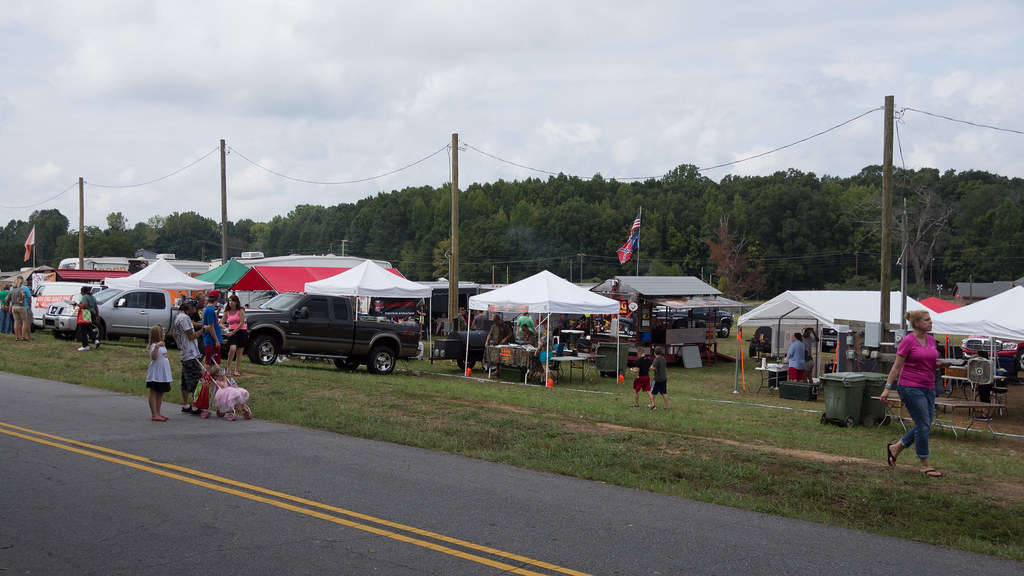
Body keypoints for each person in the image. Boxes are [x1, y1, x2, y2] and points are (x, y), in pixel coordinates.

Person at [881, 310, 942, 478]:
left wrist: (938, 365)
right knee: (923, 424)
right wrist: (887, 388)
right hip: (910, 387)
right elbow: (896, 366)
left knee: (926, 424)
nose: (931, 322)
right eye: (927, 320)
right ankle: (925, 465)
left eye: (930, 319)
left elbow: (928, 362)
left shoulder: (930, 340)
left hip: (928, 387)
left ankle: (896, 447)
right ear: (917, 324)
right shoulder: (907, 341)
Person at [173, 298, 205, 414]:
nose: (195, 310)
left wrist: (180, 345)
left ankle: (186, 405)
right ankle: (196, 406)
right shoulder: (185, 318)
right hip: (191, 353)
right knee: (196, 379)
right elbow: (191, 336)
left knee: (185, 381)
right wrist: (203, 330)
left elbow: (174, 334)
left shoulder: (177, 317)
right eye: (193, 307)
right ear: (188, 308)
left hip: (184, 353)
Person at [146, 324, 173, 421]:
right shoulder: (154, 346)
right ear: (158, 334)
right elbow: (154, 357)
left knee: (160, 393)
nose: (164, 334)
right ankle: (154, 414)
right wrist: (157, 346)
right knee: (154, 393)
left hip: (163, 374)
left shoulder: (163, 346)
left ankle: (158, 412)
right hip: (155, 374)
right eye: (163, 332)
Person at [220, 293, 247, 376]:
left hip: (241, 331)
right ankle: (228, 368)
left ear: (236, 302)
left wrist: (233, 331)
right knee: (232, 348)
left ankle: (236, 370)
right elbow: (221, 323)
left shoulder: (241, 310)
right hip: (231, 331)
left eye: (232, 301)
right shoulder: (227, 312)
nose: (231, 302)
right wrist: (226, 329)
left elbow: (241, 322)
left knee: (239, 351)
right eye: (229, 301)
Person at [201, 290, 224, 368]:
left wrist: (218, 312)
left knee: (210, 361)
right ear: (216, 299)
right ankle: (209, 378)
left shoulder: (206, 308)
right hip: (212, 341)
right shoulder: (210, 310)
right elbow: (211, 327)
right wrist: (216, 341)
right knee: (212, 363)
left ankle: (210, 378)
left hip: (209, 339)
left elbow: (212, 320)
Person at [8, 277, 30, 342]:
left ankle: (17, 337)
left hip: (14, 306)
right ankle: (23, 336)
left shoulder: (11, 290)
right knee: (24, 321)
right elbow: (23, 294)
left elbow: (8, 299)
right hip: (21, 306)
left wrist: (9, 306)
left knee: (16, 322)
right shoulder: (21, 289)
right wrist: (22, 300)